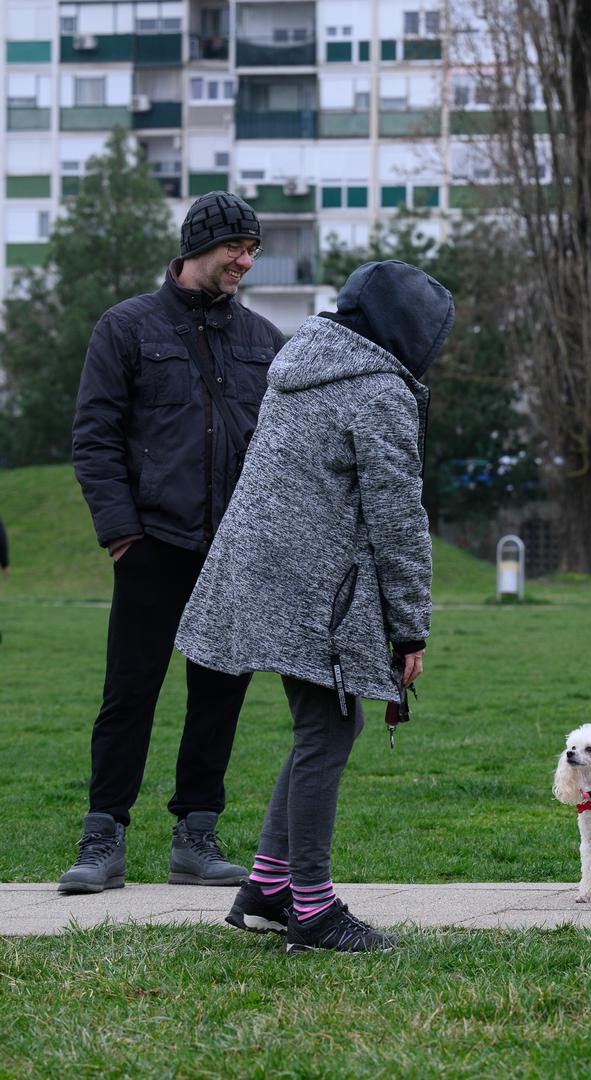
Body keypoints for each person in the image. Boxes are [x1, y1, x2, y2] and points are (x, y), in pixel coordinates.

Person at [176, 260, 452, 953]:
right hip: (313, 584)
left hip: (258, 570)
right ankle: (313, 909)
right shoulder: (377, 389)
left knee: (322, 728)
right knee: (328, 732)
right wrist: (409, 627)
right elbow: (397, 517)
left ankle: (269, 887)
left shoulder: (301, 364)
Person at [64, 191, 285, 894]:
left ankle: (196, 835)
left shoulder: (264, 341)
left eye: (252, 251)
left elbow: (281, 450)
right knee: (129, 691)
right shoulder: (125, 328)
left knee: (218, 695)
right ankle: (103, 839)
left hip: (234, 551)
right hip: (152, 540)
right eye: (234, 249)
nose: (245, 262)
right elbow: (93, 438)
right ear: (197, 246)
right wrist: (123, 534)